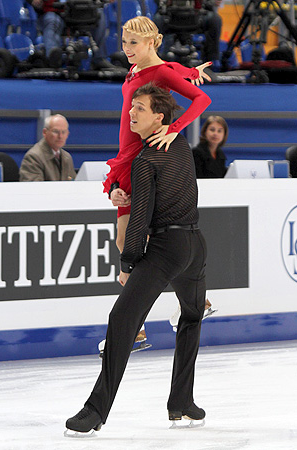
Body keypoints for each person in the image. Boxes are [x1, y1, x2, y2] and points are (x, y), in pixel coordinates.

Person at [66, 83, 209, 434]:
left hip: (166, 251)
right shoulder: (183, 147)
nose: (130, 113)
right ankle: (181, 402)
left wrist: (128, 264)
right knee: (191, 315)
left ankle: (95, 411)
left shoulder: (145, 161)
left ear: (158, 116)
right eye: (132, 107)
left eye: (139, 108)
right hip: (195, 246)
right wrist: (122, 192)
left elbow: (141, 220)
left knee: (122, 321)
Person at [102, 16, 212, 349]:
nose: (126, 49)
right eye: (123, 42)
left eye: (133, 43)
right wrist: (191, 72)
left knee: (130, 236)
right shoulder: (139, 70)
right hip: (126, 157)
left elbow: (202, 100)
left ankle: (135, 326)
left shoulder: (158, 71)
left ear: (152, 41)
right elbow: (173, 70)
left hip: (142, 157)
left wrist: (176, 127)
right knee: (128, 237)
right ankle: (194, 302)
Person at [27, 0, 114, 69]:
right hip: (54, 11)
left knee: (99, 16)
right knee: (52, 21)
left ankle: (99, 58)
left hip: (79, 10)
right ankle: (53, 58)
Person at [153, 0, 223, 67]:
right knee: (155, 23)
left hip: (197, 16)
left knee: (215, 20)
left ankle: (212, 60)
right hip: (170, 17)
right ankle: (153, 60)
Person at [19, 114, 76, 181]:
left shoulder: (67, 157)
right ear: (45, 132)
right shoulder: (33, 157)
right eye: (56, 131)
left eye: (63, 132)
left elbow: (74, 185)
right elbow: (33, 189)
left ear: (67, 134)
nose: (60, 136)